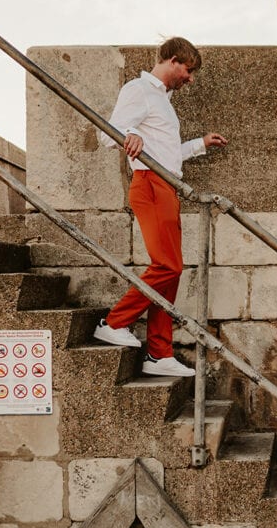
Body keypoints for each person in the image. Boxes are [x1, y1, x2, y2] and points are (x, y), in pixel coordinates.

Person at [92, 37, 227, 377]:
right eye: (188, 70)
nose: (190, 79)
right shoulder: (139, 89)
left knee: (172, 269)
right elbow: (107, 134)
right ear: (172, 60)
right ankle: (114, 322)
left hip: (165, 184)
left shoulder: (162, 100)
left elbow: (166, 154)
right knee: (167, 265)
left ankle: (158, 353)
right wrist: (128, 135)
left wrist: (200, 144)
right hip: (150, 184)